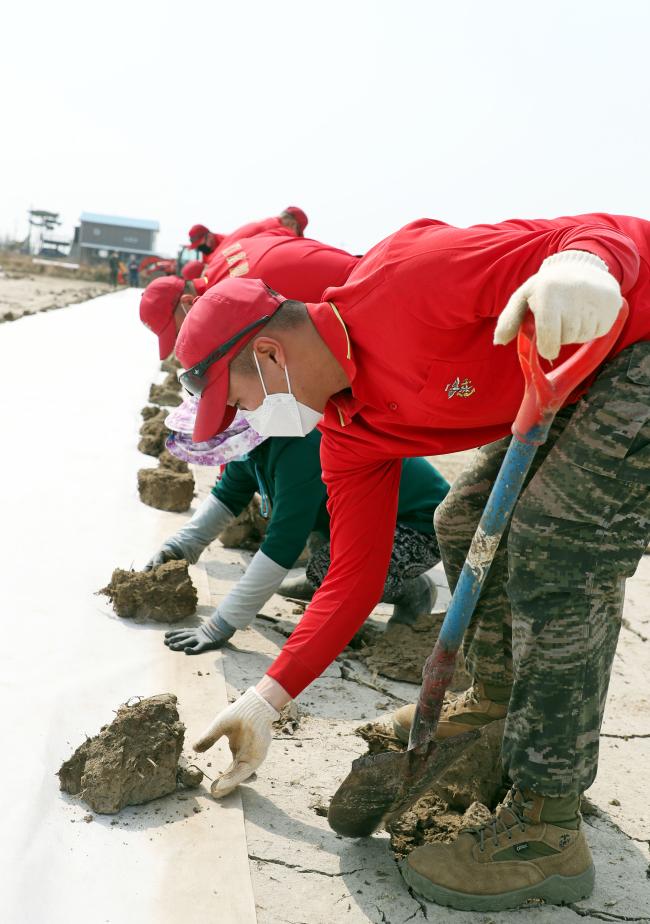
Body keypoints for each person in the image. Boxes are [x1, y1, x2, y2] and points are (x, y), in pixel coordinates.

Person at [174, 213, 650, 912]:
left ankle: (547, 825)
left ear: (271, 354)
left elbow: (604, 230)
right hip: (573, 390)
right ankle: (495, 701)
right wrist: (265, 700)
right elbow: (353, 579)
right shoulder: (348, 429)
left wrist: (584, 268)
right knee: (460, 519)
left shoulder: (406, 277)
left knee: (555, 545)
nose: (249, 421)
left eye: (240, 401)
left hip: (636, 345)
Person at [145, 430, 448, 653]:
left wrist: (221, 624)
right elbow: (226, 498)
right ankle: (333, 585)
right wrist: (177, 549)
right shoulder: (249, 444)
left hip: (421, 524)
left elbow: (283, 545)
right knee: (323, 550)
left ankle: (413, 591)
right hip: (364, 516)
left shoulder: (300, 446)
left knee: (327, 569)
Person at [139, 233, 358, 358]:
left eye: (179, 330)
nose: (184, 336)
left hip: (361, 304)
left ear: (187, 301)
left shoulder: (232, 299)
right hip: (363, 268)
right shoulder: (222, 260)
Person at [187, 206, 308, 264]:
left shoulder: (265, 224)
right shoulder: (278, 232)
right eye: (297, 230)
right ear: (293, 224)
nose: (295, 234)